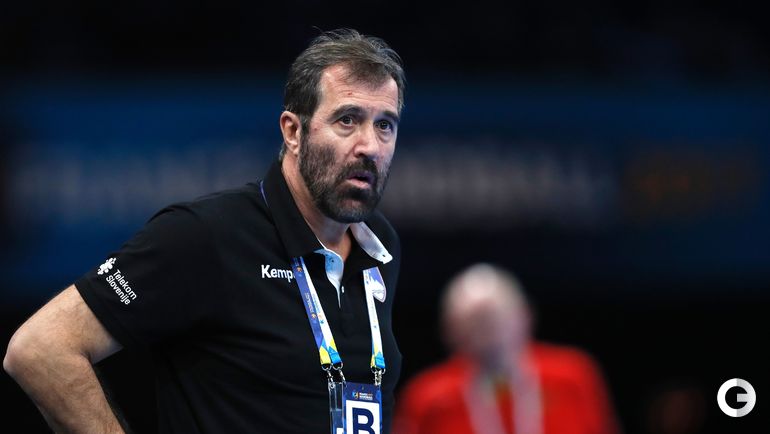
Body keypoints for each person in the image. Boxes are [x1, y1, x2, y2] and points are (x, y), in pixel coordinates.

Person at [3, 28, 405, 433]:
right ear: (293, 132)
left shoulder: (379, 246)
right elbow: (41, 348)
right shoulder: (207, 235)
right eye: (347, 120)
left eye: (385, 125)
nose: (370, 146)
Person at [394, 264, 620, 434]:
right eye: (473, 320)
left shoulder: (573, 374)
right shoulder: (428, 396)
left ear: (525, 315)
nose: (486, 330)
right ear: (449, 330)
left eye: (494, 316)